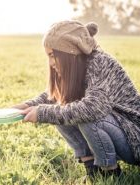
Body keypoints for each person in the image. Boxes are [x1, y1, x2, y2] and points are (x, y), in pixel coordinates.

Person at [13, 20, 140, 179]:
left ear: (69, 52)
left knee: (87, 116)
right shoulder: (77, 65)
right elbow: (54, 97)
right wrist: (26, 106)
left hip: (135, 138)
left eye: (53, 55)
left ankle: (109, 173)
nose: (51, 63)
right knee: (60, 110)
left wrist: (43, 113)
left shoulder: (100, 62)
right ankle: (92, 170)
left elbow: (93, 108)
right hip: (118, 133)